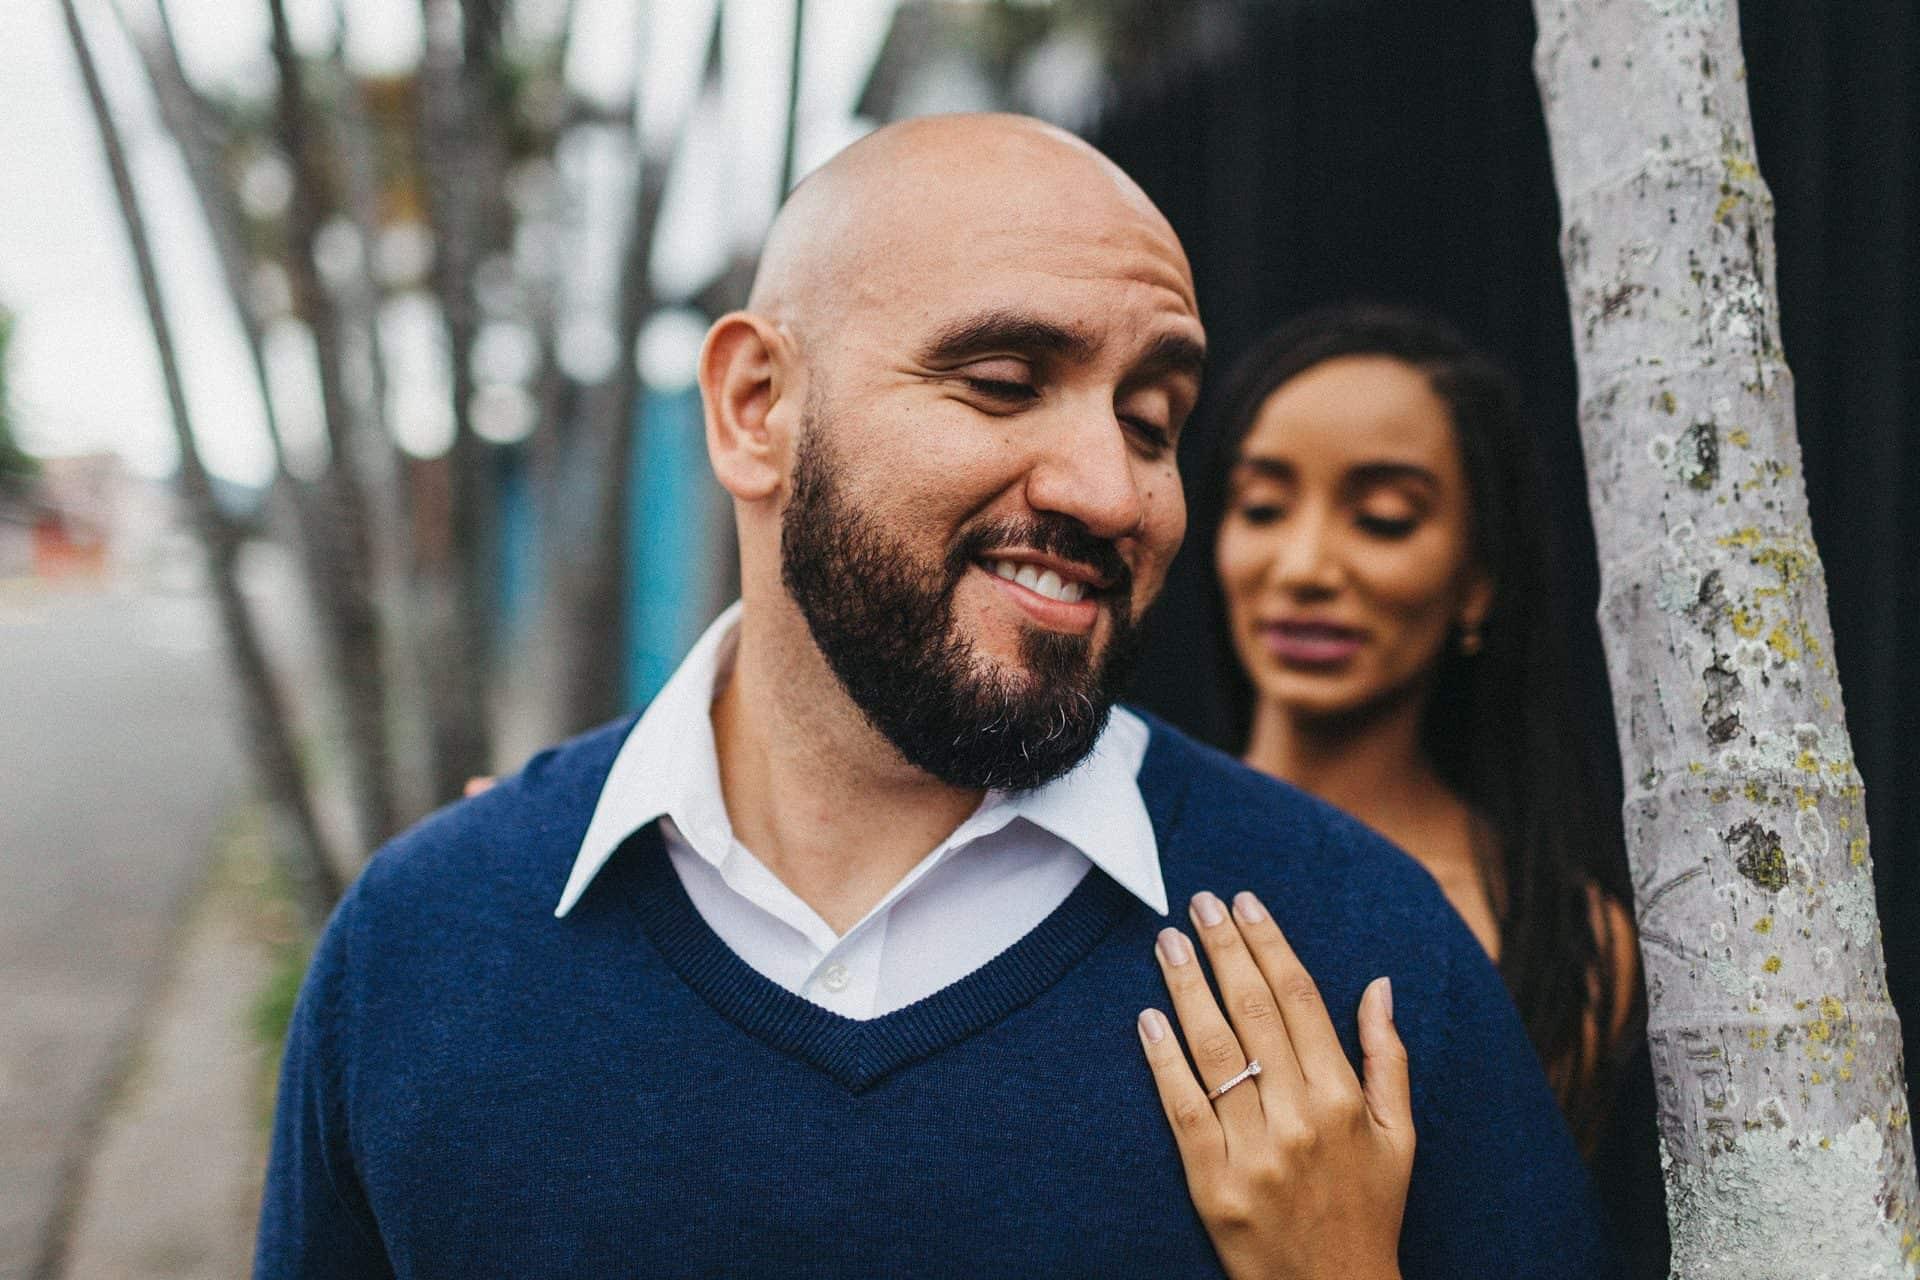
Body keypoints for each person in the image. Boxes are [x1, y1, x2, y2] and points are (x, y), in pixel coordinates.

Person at [255, 116, 1615, 1279]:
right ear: (752, 407)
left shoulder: (1363, 961)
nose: (1111, 487)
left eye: (1153, 420)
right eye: (1004, 383)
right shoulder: (427, 947)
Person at [1205, 302, 1643, 1149]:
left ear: (1479, 579)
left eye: (1384, 520)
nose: (1303, 569)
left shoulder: (1554, 936)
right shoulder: (1096, 838)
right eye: (1262, 507)